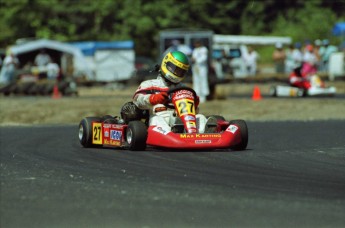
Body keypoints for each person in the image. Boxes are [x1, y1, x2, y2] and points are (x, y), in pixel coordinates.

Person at [132, 51, 216, 133]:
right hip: (160, 117)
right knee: (157, 119)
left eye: (180, 71)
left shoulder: (183, 88)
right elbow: (137, 100)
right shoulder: (150, 84)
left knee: (200, 117)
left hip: (182, 119)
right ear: (166, 64)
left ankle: (202, 134)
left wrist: (194, 103)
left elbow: (193, 111)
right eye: (174, 68)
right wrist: (153, 99)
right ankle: (173, 133)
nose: (176, 72)